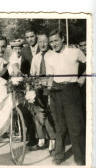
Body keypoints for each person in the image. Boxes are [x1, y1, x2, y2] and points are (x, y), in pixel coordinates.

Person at [47, 29, 86, 165]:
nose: (53, 44)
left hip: (71, 91)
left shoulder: (75, 52)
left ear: (63, 38)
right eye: (51, 42)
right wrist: (48, 94)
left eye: (56, 40)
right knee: (60, 126)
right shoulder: (49, 56)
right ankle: (59, 156)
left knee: (76, 126)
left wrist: (81, 79)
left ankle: (80, 159)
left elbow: (90, 64)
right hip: (56, 91)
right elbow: (50, 76)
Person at [29, 32, 56, 153]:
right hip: (38, 89)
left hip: (50, 89)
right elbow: (32, 74)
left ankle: (53, 142)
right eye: (40, 42)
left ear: (49, 42)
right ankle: (41, 141)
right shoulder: (36, 57)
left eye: (45, 41)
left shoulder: (54, 55)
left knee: (50, 116)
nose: (43, 44)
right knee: (39, 115)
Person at [8, 39, 38, 147]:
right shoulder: (11, 58)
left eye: (19, 48)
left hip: (24, 86)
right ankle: (18, 132)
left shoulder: (25, 59)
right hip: (14, 86)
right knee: (15, 110)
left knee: (26, 111)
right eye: (15, 48)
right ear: (12, 49)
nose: (17, 50)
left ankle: (31, 136)